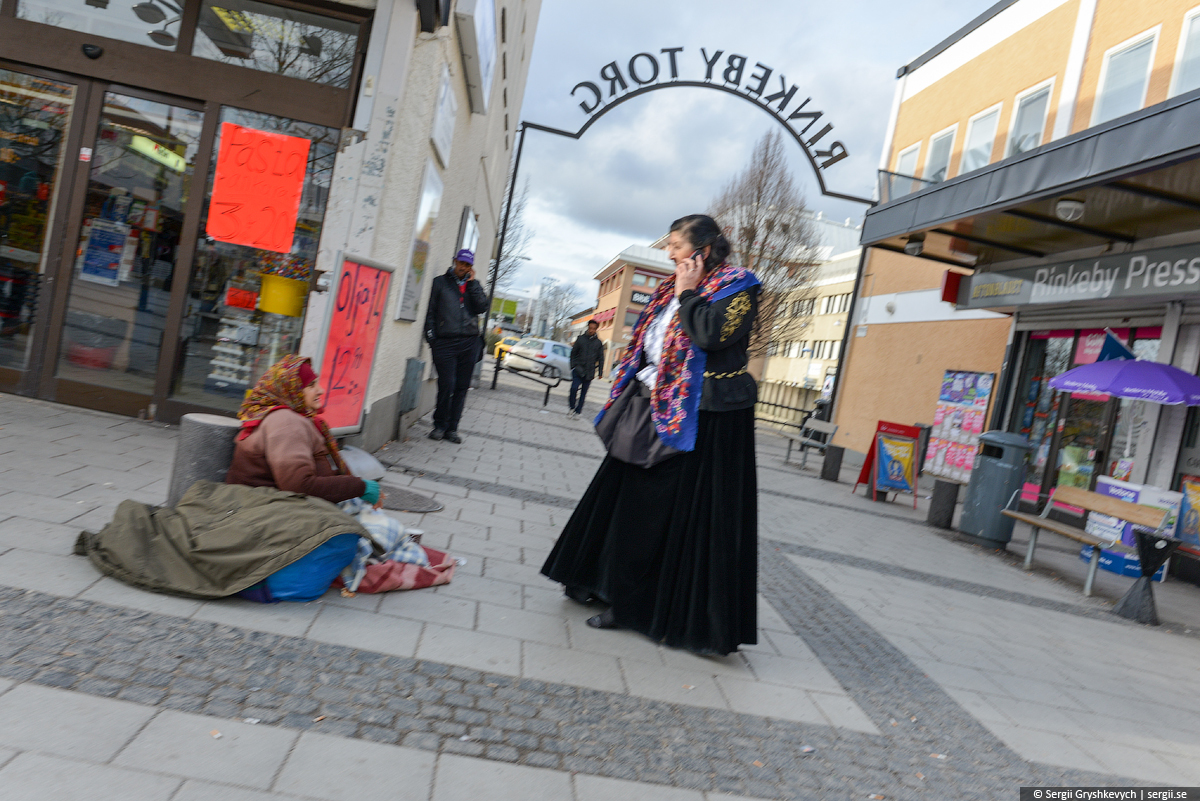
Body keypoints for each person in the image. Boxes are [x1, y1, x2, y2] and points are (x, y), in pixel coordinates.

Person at [541, 214, 761, 656]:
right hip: (654, 405)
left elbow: (710, 334)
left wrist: (687, 293)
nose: (670, 253)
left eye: (676, 245)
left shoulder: (741, 286)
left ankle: (641, 605)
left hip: (708, 418)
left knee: (669, 514)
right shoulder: (665, 290)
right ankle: (601, 581)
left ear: (701, 249)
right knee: (625, 500)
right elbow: (649, 343)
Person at [226, 354, 382, 508]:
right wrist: (360, 487)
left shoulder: (285, 417)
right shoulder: (286, 422)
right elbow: (300, 486)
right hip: (266, 509)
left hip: (260, 503)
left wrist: (355, 487)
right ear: (291, 390)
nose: (320, 390)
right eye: (311, 385)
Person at [424, 248, 488, 443]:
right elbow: (431, 312)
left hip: (469, 342)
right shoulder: (440, 283)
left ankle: (452, 429)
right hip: (445, 343)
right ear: (455, 262)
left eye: (468, 265)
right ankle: (439, 425)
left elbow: (482, 307)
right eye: (461, 263)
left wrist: (473, 284)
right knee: (447, 384)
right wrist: (432, 339)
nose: (464, 267)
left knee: (461, 387)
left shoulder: (472, 286)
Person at [568, 319, 604, 417]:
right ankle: (571, 407)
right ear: (587, 328)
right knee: (574, 388)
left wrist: (600, 372)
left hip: (589, 372)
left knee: (583, 393)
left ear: (596, 329)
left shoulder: (598, 343)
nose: (591, 330)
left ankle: (578, 411)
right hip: (578, 369)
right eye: (590, 328)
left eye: (593, 329)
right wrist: (573, 366)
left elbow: (601, 358)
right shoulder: (580, 339)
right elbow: (573, 353)